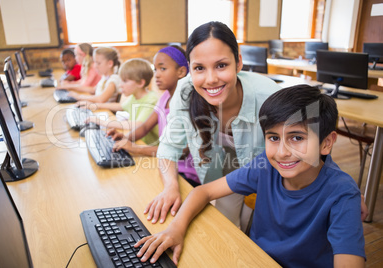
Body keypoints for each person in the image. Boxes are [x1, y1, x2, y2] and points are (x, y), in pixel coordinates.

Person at [135, 84, 366, 268]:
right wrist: (174, 230)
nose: (283, 152)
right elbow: (204, 191)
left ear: (327, 143)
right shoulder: (265, 165)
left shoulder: (342, 194)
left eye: (297, 137)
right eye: (273, 138)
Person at [144, 21, 281, 227]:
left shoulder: (269, 96)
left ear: (239, 62)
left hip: (272, 173)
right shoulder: (185, 91)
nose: (211, 79)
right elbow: (169, 146)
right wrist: (170, 187)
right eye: (199, 68)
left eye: (221, 65)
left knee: (260, 230)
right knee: (228, 230)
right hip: (226, 171)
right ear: (189, 68)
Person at [108, 45, 200, 187]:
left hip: (186, 175)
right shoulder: (165, 97)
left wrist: (136, 149)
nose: (156, 74)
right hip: (166, 165)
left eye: (163, 69)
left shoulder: (189, 103)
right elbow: (145, 126)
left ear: (181, 72)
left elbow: (181, 151)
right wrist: (125, 139)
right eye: (155, 69)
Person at [86, 58, 159, 145]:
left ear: (140, 83)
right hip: (136, 141)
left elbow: (139, 124)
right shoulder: (134, 96)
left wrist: (104, 123)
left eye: (125, 81)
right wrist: (95, 105)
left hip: (146, 147)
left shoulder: (151, 100)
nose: (120, 85)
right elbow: (120, 106)